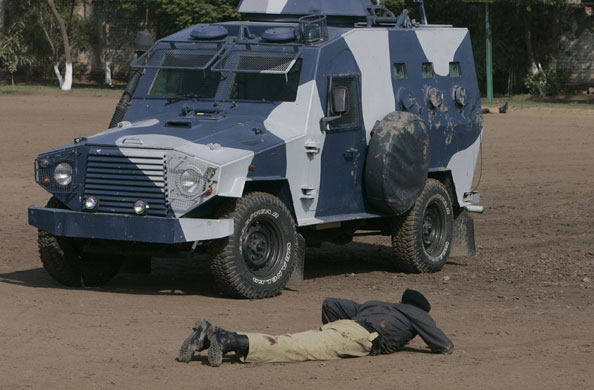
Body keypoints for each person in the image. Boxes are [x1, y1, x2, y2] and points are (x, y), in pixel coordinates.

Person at [176, 289, 454, 367]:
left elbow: (331, 303)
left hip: (348, 326)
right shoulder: (416, 314)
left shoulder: (379, 304)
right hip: (357, 336)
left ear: (398, 300)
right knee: (294, 349)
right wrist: (412, 333)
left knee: (291, 341)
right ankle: (229, 340)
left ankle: (207, 335)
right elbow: (444, 345)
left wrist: (332, 329)